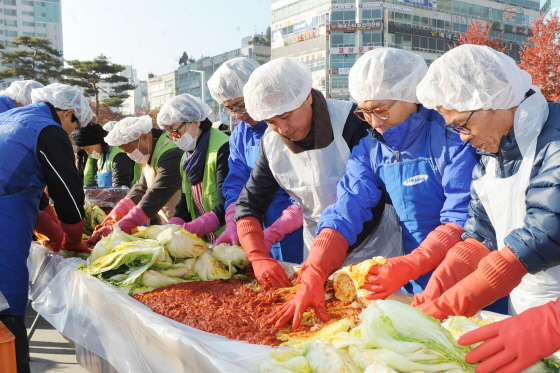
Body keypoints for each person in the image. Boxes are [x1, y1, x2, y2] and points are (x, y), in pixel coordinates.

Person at [271, 48, 479, 329]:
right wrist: (316, 267)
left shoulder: (451, 136)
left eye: (381, 109)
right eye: (365, 112)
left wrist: (412, 262)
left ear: (410, 95)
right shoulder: (371, 149)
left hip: (470, 270)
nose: (375, 122)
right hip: (415, 273)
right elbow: (347, 209)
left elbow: (462, 218)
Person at [412, 44, 560, 323]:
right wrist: (444, 281)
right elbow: (482, 232)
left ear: (497, 96)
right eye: (454, 128)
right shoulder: (490, 154)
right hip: (524, 311)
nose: (462, 137)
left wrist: (456, 301)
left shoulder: (555, 140)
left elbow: (547, 231)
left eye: (463, 124)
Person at [236, 57, 384, 288]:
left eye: (286, 116)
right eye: (271, 121)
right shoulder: (271, 143)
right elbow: (249, 204)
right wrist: (257, 256)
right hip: (315, 249)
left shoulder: (352, 122)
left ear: (306, 96)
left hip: (372, 247)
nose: (283, 129)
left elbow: (364, 201)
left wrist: (324, 258)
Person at [0, 82, 92, 373]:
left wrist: (55, 232)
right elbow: (67, 191)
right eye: (74, 125)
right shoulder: (47, 129)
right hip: (4, 223)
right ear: (67, 113)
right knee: (7, 294)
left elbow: (28, 190)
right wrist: (74, 239)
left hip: (8, 208)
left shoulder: (10, 119)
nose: (71, 134)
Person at [207, 57, 304, 263]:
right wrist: (234, 220)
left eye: (241, 105)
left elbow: (311, 184)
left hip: (303, 225)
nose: (238, 114)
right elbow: (236, 183)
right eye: (230, 109)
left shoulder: (290, 124)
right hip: (265, 227)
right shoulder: (240, 135)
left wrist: (283, 224)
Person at [88, 115, 183, 241]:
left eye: (130, 150)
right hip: (170, 226)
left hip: (186, 223)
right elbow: (141, 187)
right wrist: (117, 213)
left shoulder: (171, 153)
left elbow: (156, 195)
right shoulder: (150, 153)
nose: (130, 156)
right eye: (126, 152)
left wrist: (120, 226)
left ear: (144, 138)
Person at [158, 94, 230, 243]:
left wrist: (189, 229)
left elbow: (228, 203)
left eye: (175, 130)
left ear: (196, 121)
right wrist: (173, 225)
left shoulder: (223, 148)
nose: (174, 138)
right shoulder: (187, 157)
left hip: (231, 238)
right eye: (169, 134)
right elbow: (186, 202)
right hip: (207, 239)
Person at [71, 123, 141, 187]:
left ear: (97, 142)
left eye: (87, 149)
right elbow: (99, 181)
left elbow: (120, 186)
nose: (88, 153)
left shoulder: (119, 155)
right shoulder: (101, 157)